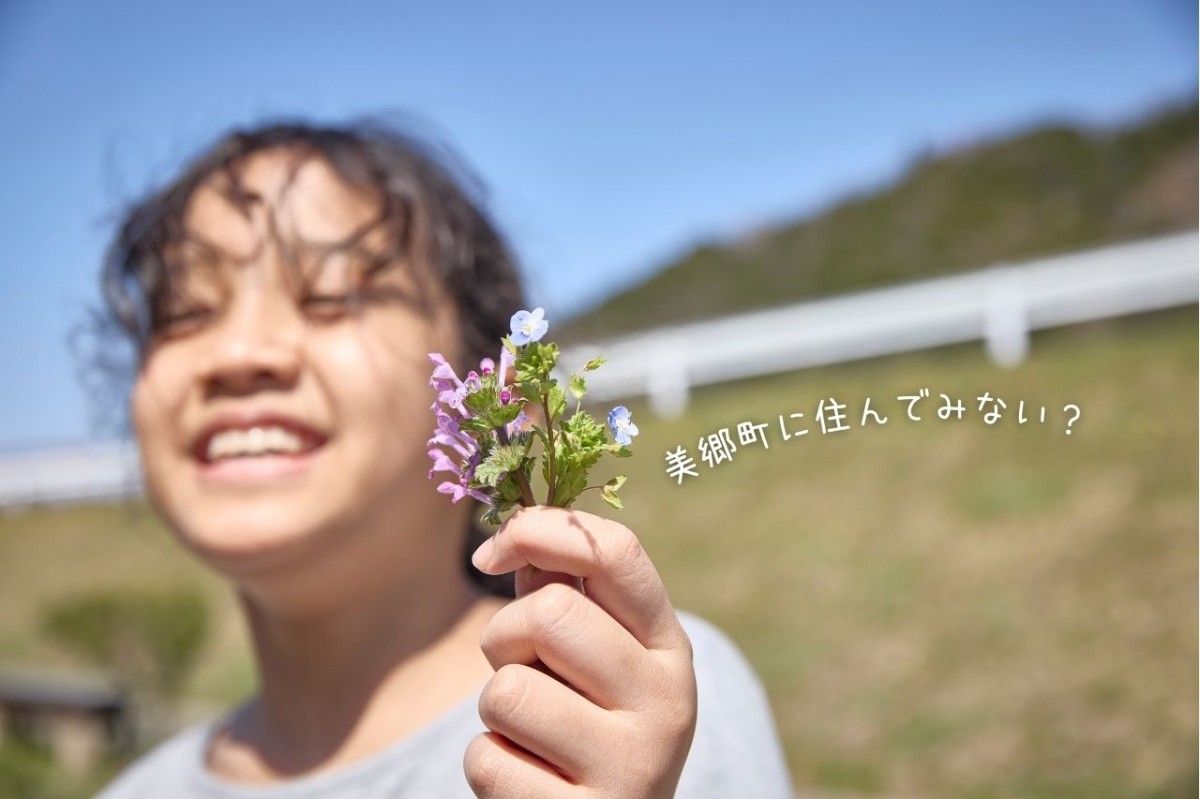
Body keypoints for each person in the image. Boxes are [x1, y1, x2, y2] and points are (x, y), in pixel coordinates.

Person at [92, 119, 793, 798]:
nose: (238, 354)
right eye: (184, 310)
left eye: (331, 296)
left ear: (499, 393)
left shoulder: (634, 709)